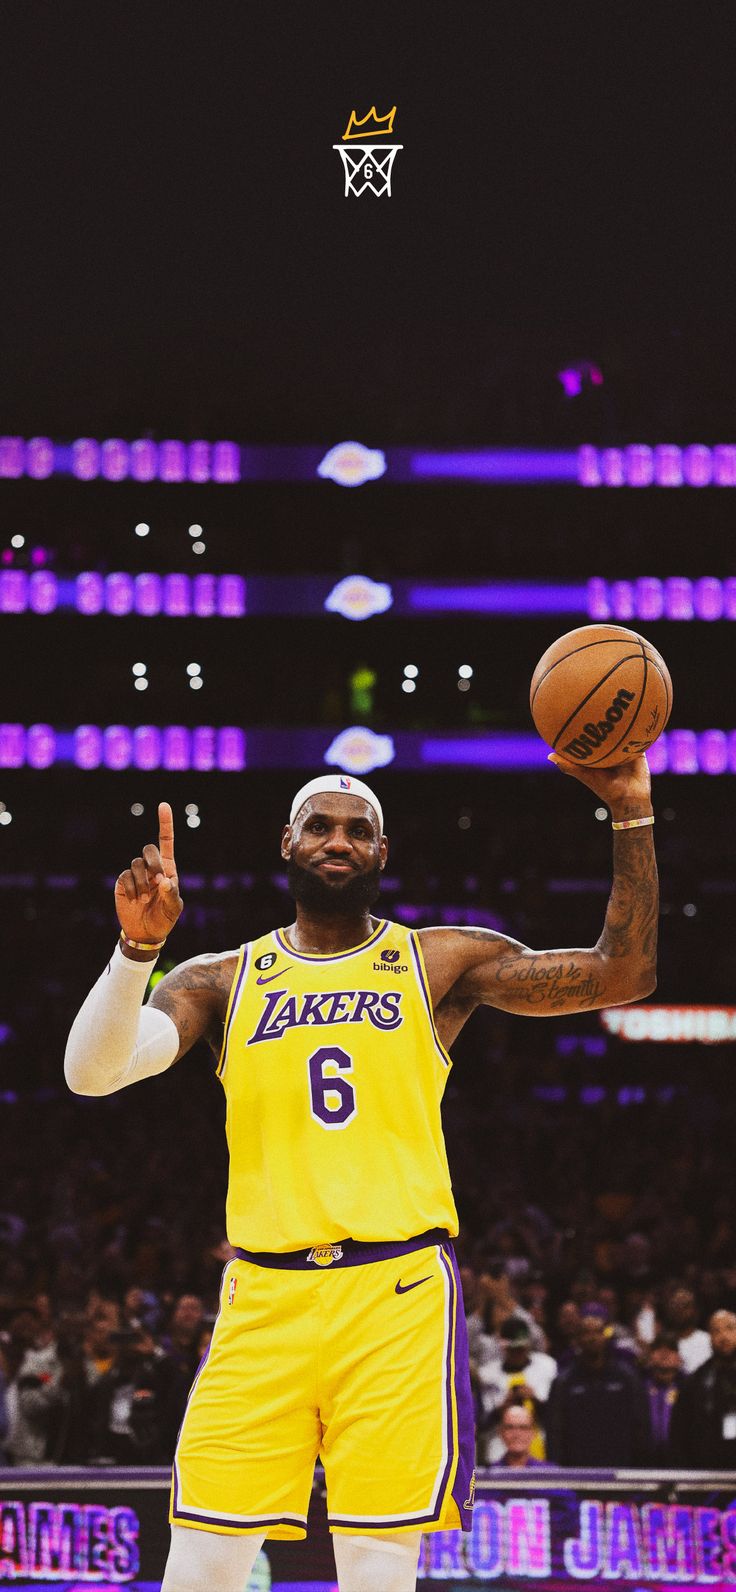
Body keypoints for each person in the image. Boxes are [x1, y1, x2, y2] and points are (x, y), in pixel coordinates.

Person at [64, 758, 658, 1592]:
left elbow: (622, 973)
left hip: (396, 1294)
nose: (337, 840)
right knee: (198, 1570)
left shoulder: (440, 961)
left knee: (379, 1573)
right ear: (287, 844)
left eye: (356, 829)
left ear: (384, 851)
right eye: (320, 825)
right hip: (264, 1297)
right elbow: (92, 1074)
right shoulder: (221, 979)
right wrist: (138, 949)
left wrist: (632, 815)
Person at [545, 1304, 651, 1466]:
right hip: (576, 1471)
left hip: (621, 1469)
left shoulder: (627, 1378)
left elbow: (641, 1428)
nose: (592, 1337)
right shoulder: (564, 1382)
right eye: (586, 1333)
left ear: (606, 1335)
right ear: (578, 1339)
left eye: (597, 1332)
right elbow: (555, 1432)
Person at [668, 1309, 736, 1467]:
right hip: (706, 1475)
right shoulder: (695, 1382)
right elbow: (679, 1435)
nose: (723, 1336)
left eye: (729, 1328)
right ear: (709, 1337)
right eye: (716, 1331)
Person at [491, 1398, 553, 1470]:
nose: (517, 1434)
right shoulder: (486, 1475)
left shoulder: (551, 1473)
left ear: (533, 1433)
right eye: (510, 1427)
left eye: (523, 1428)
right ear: (501, 1432)